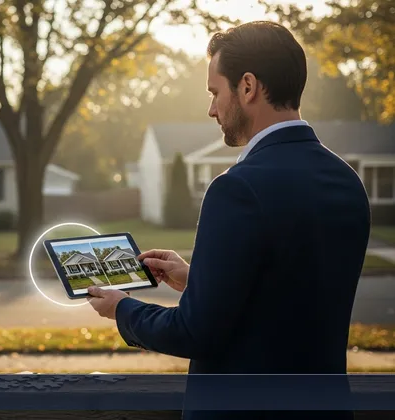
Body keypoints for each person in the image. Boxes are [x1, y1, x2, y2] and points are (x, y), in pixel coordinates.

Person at [86, 21, 370, 419]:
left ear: (248, 87)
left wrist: (122, 310)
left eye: (216, 92)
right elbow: (290, 298)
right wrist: (198, 279)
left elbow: (194, 332)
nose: (211, 109)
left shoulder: (236, 189)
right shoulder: (347, 183)